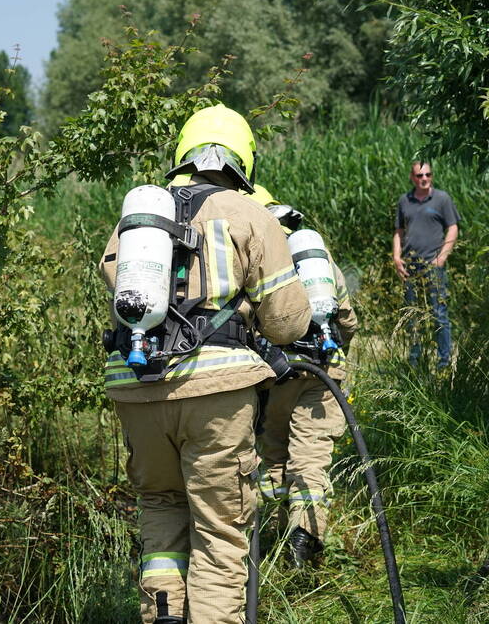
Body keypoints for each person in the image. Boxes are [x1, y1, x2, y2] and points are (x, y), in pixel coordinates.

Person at [99, 106, 311, 624]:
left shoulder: (141, 214)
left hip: (138, 385)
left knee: (162, 511)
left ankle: (164, 616)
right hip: (216, 392)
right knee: (221, 529)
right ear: (244, 159)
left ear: (183, 154)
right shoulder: (248, 213)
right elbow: (287, 323)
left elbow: (116, 281)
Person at [246, 185, 358, 568]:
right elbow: (347, 318)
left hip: (275, 373)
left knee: (274, 456)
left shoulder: (255, 250)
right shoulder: (315, 253)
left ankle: (277, 543)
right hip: (322, 373)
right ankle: (303, 538)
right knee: (310, 459)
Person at [392, 160, 460, 369]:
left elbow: (453, 227)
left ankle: (443, 361)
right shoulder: (405, 201)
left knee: (439, 314)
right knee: (413, 315)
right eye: (420, 176)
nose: (424, 179)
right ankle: (416, 360)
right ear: (412, 178)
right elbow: (398, 231)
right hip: (410, 267)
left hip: (433, 266)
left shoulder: (442, 199)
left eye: (428, 175)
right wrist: (396, 257)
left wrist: (442, 257)